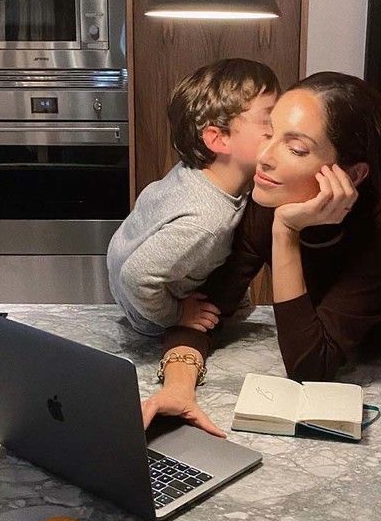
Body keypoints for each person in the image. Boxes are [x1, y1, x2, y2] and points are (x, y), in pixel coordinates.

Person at [142, 71, 381, 435]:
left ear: (351, 175)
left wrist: (285, 231)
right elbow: (204, 312)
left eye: (296, 148)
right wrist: (178, 389)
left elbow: (309, 368)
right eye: (269, 133)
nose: (265, 158)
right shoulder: (269, 194)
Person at [107, 58, 279, 337]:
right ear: (219, 139)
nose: (279, 130)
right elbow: (136, 277)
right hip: (152, 317)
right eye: (269, 120)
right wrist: (177, 314)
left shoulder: (200, 173)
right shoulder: (206, 221)